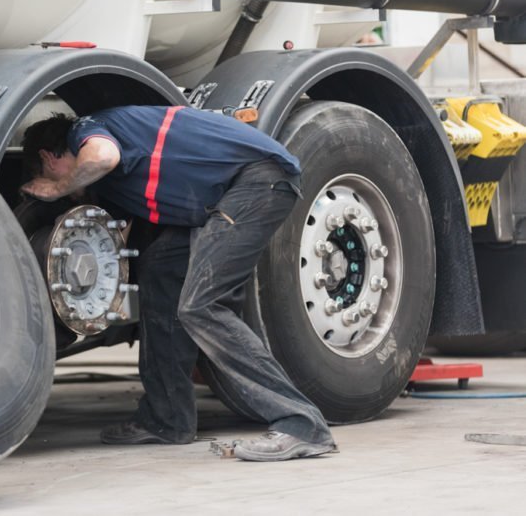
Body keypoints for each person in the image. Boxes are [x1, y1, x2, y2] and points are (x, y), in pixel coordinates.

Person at [21, 105, 336, 462]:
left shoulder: (88, 129)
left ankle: (302, 424)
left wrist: (56, 187)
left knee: (201, 306)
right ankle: (167, 419)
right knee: (158, 269)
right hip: (214, 202)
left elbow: (102, 157)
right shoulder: (117, 184)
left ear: (48, 156)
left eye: (46, 173)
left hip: (256, 182)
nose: (66, 192)